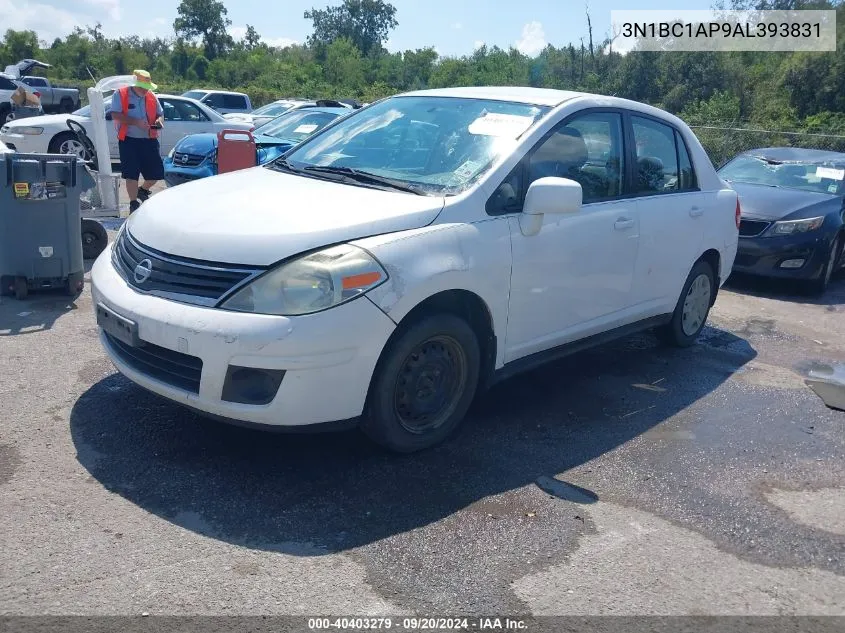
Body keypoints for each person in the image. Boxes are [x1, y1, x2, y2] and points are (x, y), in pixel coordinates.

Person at [110, 70, 164, 213]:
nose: (145, 90)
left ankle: (143, 190)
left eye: (147, 87)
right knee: (131, 174)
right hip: (129, 141)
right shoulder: (120, 94)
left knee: (156, 174)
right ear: (134, 84)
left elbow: (160, 114)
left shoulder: (151, 96)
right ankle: (133, 203)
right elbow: (115, 114)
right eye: (142, 86)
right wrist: (135, 122)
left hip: (149, 139)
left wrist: (159, 121)